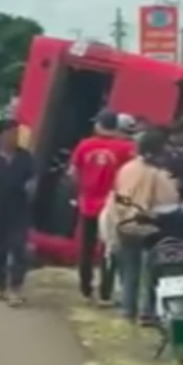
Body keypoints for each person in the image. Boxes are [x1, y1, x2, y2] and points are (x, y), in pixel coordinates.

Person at [112, 127, 180, 323]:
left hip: (124, 221)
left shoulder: (126, 169)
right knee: (152, 269)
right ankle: (148, 311)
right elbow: (169, 200)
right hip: (148, 224)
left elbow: (118, 194)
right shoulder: (158, 174)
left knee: (130, 268)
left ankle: (127, 309)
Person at [68, 109, 134, 304]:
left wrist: (80, 191)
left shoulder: (84, 145)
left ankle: (86, 288)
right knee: (109, 248)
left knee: (86, 248)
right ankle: (105, 291)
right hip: (112, 206)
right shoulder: (126, 149)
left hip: (87, 203)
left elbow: (73, 173)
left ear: (98, 125)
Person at [0, 117, 36, 307]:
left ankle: (16, 288)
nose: (14, 137)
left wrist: (31, 187)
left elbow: (33, 178)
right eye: (11, 133)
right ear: (0, 136)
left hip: (19, 209)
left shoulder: (26, 157)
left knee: (19, 249)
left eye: (16, 133)